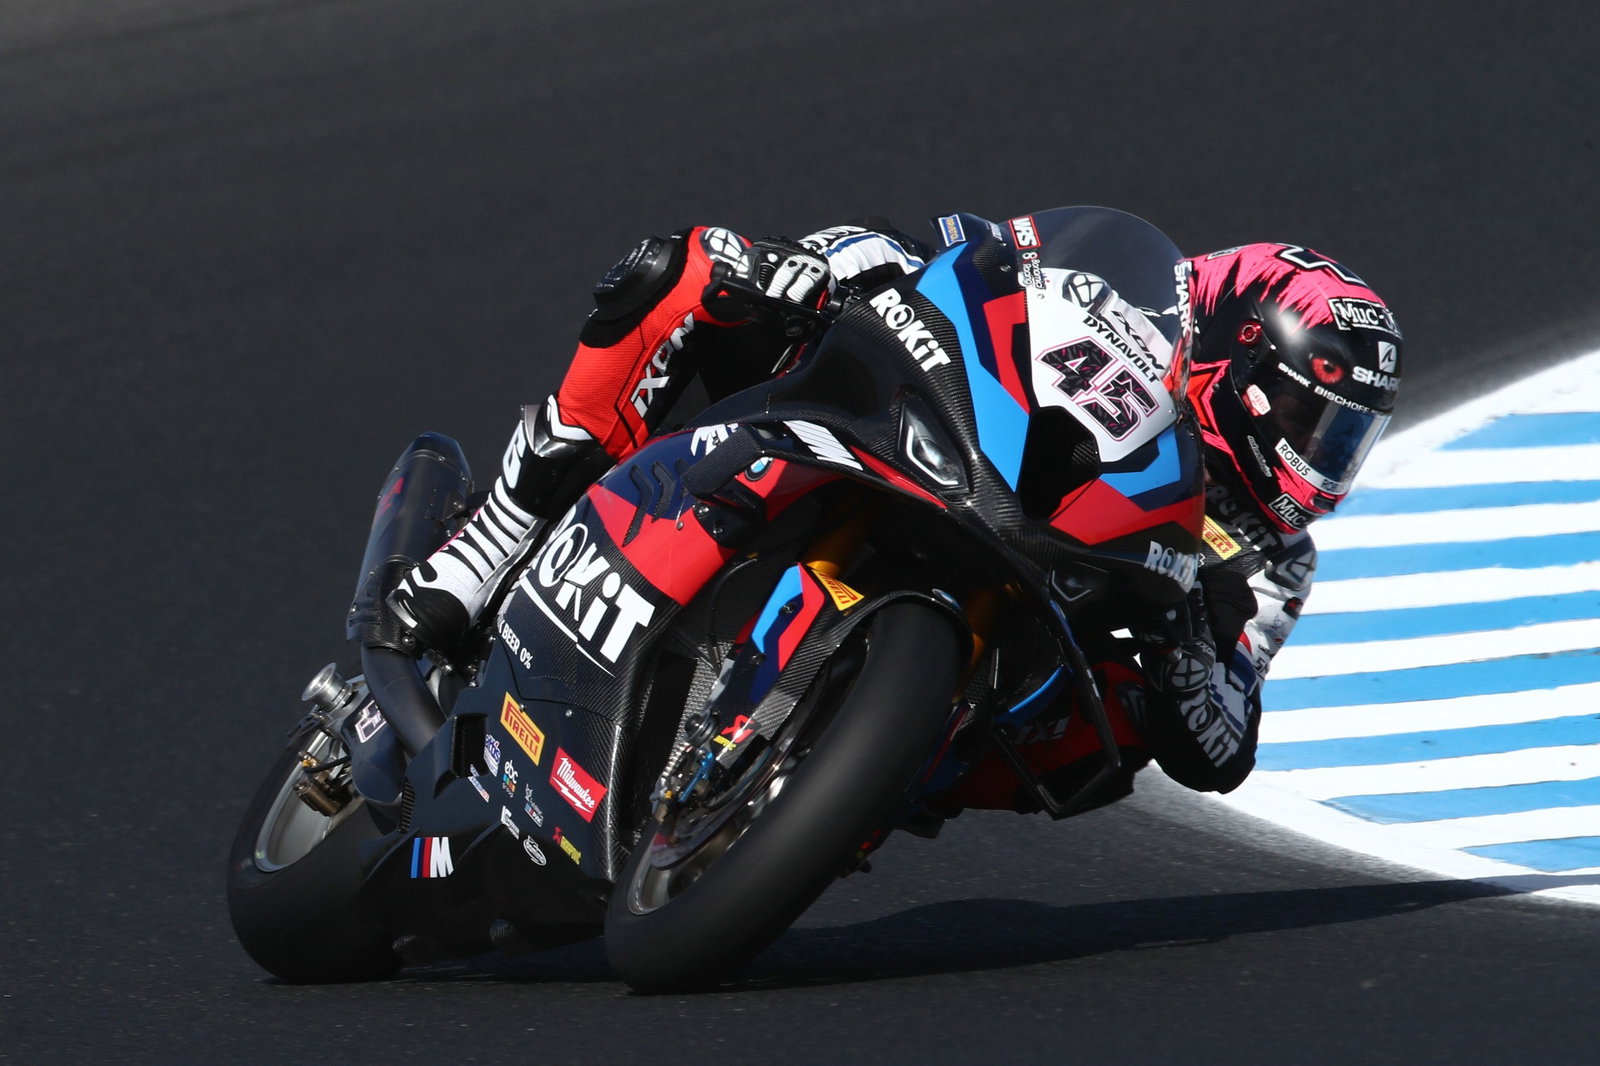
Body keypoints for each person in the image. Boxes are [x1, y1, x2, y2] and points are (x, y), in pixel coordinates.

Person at [378, 215, 1403, 812]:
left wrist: (1189, 642)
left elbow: (1224, 745)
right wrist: (855, 258)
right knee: (697, 271)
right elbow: (971, 249)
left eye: (1342, 442)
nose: (1319, 466)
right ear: (1240, 361)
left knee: (1110, 745)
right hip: (928, 440)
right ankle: (496, 536)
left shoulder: (1272, 560)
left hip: (1038, 598)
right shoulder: (1124, 294)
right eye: (1317, 426)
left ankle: (858, 776)